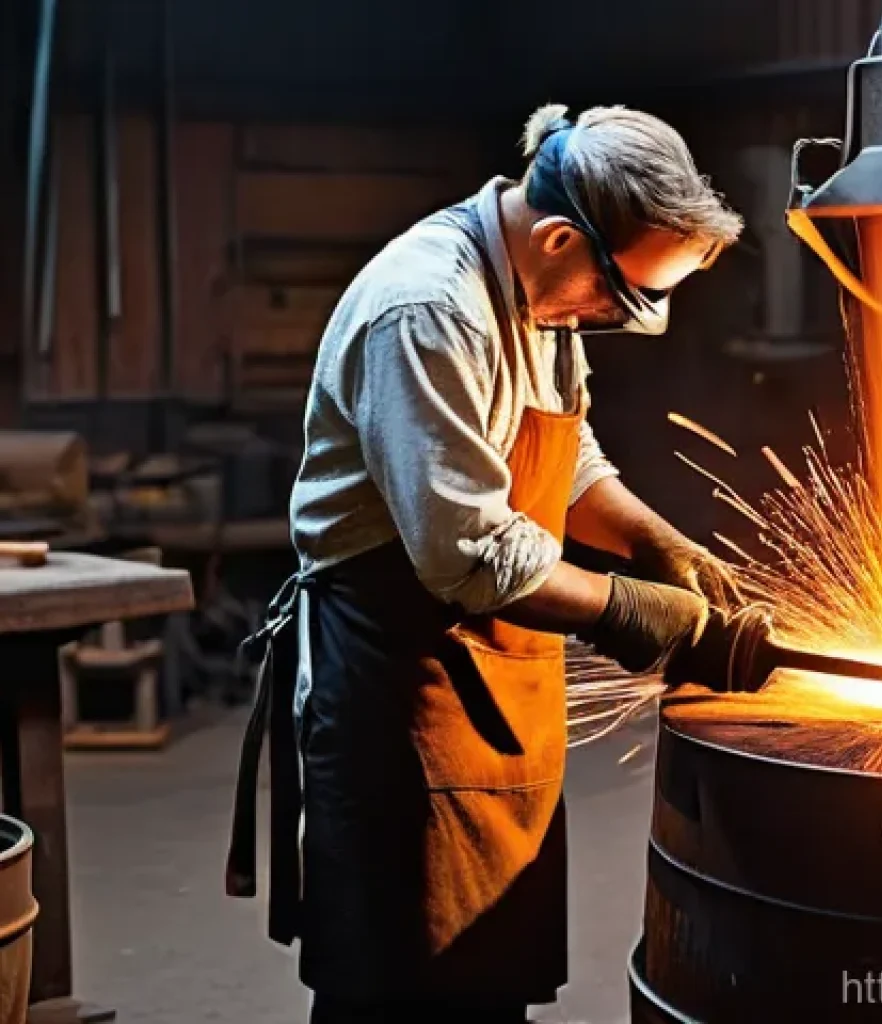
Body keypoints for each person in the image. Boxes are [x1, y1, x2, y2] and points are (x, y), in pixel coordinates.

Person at [227, 103, 747, 1023]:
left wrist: (652, 542)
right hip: (402, 683)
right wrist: (631, 611)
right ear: (558, 237)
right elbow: (467, 558)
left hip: (499, 671)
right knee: (395, 987)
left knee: (485, 985)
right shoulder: (429, 310)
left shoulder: (541, 294)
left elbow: (565, 451)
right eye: (622, 298)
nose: (615, 320)